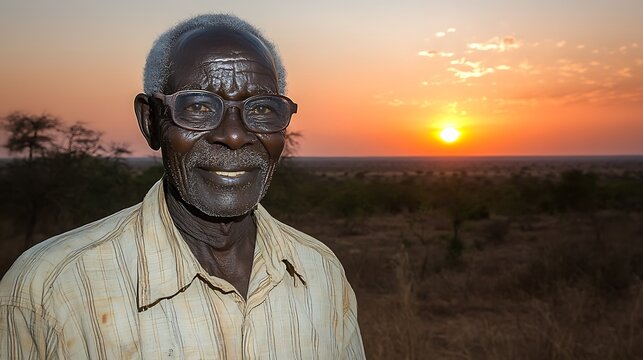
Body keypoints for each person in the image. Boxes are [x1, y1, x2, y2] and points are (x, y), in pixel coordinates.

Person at [0, 14, 365, 359]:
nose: (235, 136)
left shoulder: (321, 274)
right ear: (151, 121)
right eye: (199, 107)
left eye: (262, 109)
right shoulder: (51, 289)